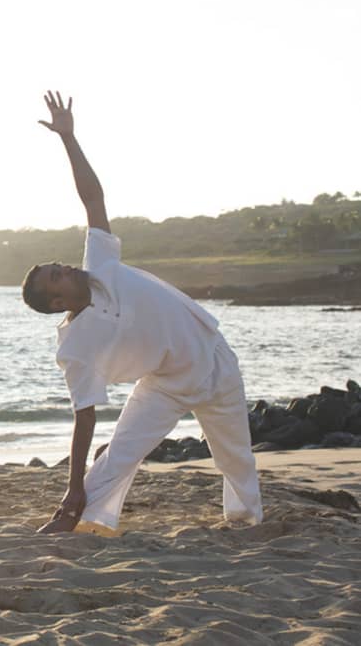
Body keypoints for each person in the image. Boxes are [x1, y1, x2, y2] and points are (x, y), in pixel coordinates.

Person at [22, 91, 262, 534]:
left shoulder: (102, 267)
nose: (65, 267)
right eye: (56, 276)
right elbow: (85, 417)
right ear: (56, 303)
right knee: (120, 454)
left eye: (57, 265)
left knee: (236, 457)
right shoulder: (75, 347)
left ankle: (246, 525)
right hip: (165, 386)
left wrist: (69, 139)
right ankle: (74, 518)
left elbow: (93, 199)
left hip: (214, 358)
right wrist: (72, 483)